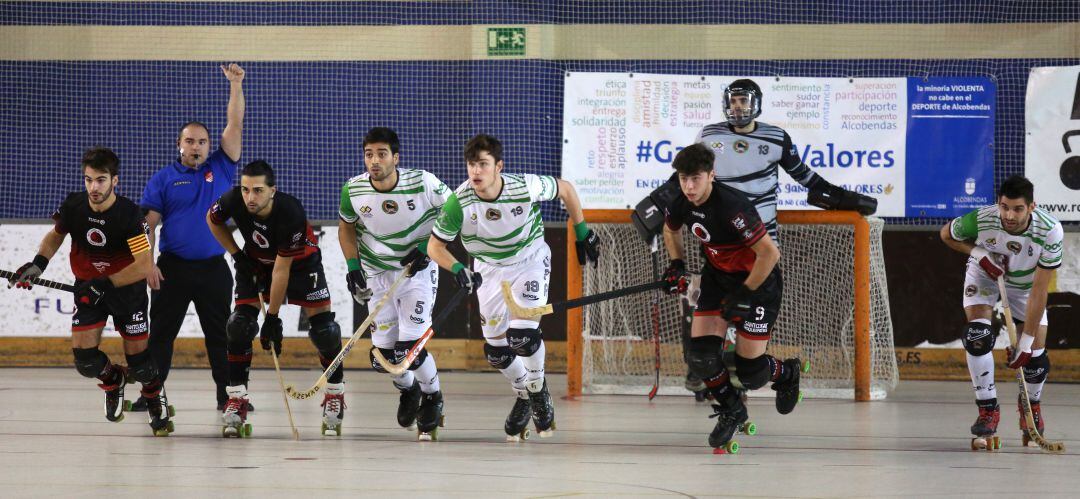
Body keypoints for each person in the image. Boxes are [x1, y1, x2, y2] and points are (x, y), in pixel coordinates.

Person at [637, 78, 877, 400]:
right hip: (719, 251)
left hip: (759, 250)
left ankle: (761, 374)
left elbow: (808, 180)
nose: (738, 107)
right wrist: (653, 209)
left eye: (743, 101)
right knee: (703, 336)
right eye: (733, 101)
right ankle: (709, 380)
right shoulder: (709, 135)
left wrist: (847, 198)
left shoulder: (776, 138)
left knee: (749, 362)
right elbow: (684, 175)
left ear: (756, 104)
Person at [427, 134, 600, 441]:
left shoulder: (523, 187)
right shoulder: (459, 202)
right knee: (496, 353)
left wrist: (582, 232)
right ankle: (523, 394)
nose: (476, 172)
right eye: (471, 164)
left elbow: (567, 190)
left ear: (499, 166)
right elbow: (435, 246)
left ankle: (538, 390)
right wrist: (457, 268)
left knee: (522, 336)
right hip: (489, 270)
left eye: (483, 164)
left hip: (528, 260)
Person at [8, 147, 172, 436]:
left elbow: (143, 266)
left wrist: (105, 282)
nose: (93, 187)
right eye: (88, 180)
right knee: (85, 361)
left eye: (100, 180)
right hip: (88, 291)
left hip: (126, 292)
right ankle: (114, 380)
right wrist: (38, 264)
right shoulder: (74, 207)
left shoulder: (130, 216)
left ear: (115, 181)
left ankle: (154, 393)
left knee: (141, 364)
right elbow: (55, 236)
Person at [661, 143, 803, 452]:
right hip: (717, 278)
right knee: (700, 357)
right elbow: (670, 231)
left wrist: (745, 292)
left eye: (696, 178)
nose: (689, 186)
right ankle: (731, 409)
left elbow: (770, 254)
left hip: (758, 282)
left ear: (711, 175)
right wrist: (677, 265)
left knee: (751, 374)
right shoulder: (680, 200)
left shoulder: (732, 207)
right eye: (684, 178)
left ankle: (788, 373)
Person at [136, 63, 246, 412]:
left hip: (214, 269)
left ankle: (228, 397)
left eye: (201, 141)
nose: (195, 146)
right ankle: (151, 394)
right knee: (161, 335)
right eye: (189, 141)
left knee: (220, 335)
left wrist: (235, 86)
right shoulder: (163, 179)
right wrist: (147, 264)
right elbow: (146, 225)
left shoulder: (223, 166)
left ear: (210, 145)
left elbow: (235, 123)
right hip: (173, 269)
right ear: (179, 144)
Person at [206, 160, 344, 437]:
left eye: (257, 190)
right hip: (255, 263)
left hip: (301, 266)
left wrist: (272, 318)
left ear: (273, 190)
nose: (250, 197)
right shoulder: (233, 199)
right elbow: (212, 219)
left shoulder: (290, 211)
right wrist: (237, 255)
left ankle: (335, 394)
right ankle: (237, 398)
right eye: (245, 190)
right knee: (238, 326)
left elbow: (282, 270)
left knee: (325, 331)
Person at [338, 127, 451, 439]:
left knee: (410, 349)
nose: (374, 161)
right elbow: (346, 229)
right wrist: (353, 268)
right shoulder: (353, 189)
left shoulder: (422, 182)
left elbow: (455, 212)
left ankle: (433, 396)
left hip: (416, 273)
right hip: (377, 275)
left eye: (382, 154)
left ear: (396, 158)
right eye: (369, 154)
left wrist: (430, 244)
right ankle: (409, 390)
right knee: (385, 357)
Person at [939, 174, 1063, 447]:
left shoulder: (1050, 230)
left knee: (1036, 358)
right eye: (1005, 207)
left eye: (1018, 208)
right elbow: (946, 234)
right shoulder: (983, 219)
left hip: (1026, 285)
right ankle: (988, 410)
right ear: (998, 203)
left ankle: (1030, 408)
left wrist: (1026, 342)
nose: (1009, 214)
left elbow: (1040, 291)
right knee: (977, 336)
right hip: (984, 275)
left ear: (1031, 207)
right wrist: (979, 254)